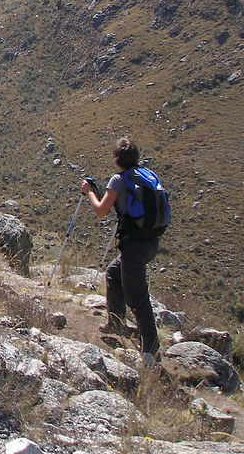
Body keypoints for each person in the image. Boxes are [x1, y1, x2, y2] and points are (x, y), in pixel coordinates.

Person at [81, 137, 162, 359]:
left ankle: (151, 351)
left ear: (116, 159)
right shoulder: (147, 175)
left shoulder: (118, 180)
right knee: (114, 273)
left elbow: (100, 210)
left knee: (138, 298)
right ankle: (115, 322)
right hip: (151, 242)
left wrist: (89, 191)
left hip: (134, 246)